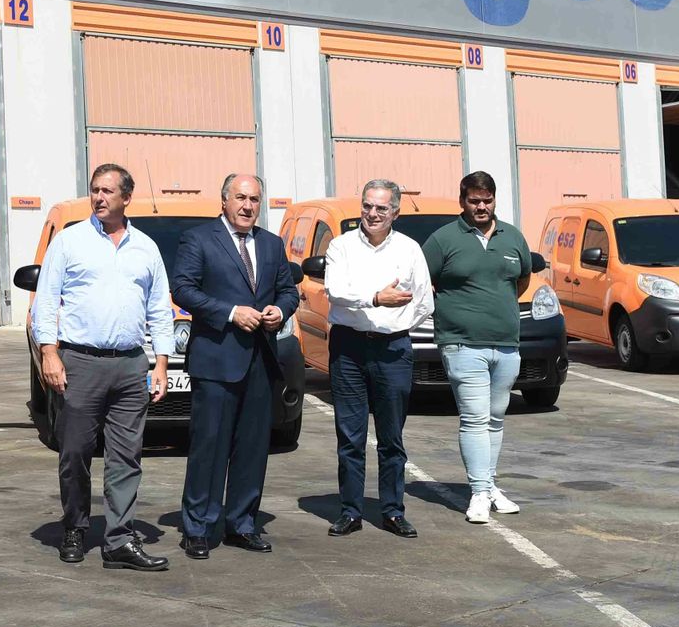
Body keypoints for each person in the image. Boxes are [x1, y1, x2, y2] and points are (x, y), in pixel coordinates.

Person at [33, 163, 173, 571]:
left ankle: (120, 540)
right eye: (95, 189)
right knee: (74, 452)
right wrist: (49, 352)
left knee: (126, 457)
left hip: (130, 365)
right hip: (80, 363)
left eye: (108, 191)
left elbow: (159, 308)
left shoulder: (146, 248)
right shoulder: (70, 241)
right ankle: (75, 527)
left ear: (126, 198)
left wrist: (160, 363)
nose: (99, 197)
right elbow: (46, 300)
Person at [171, 173, 299, 559]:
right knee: (209, 447)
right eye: (240, 198)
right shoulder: (199, 239)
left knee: (252, 449)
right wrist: (230, 313)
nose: (247, 206)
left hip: (261, 361)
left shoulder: (271, 244)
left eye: (254, 199)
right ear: (224, 200)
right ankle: (198, 527)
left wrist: (280, 310)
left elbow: (288, 290)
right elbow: (183, 289)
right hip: (216, 361)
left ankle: (242, 523)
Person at [322, 178, 433, 538]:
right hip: (348, 348)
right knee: (350, 436)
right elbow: (335, 290)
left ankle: (392, 511)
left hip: (392, 348)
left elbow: (424, 302)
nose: (372, 213)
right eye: (367, 206)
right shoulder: (341, 246)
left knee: (391, 436)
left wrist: (394, 324)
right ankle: (350, 511)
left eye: (381, 208)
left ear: (395, 213)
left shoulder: (409, 249)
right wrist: (375, 299)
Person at [421, 171, 533, 524]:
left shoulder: (512, 237)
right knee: (474, 418)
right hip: (462, 344)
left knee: (496, 417)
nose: (481, 207)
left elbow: (521, 280)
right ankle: (479, 492)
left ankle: (490, 485)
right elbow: (423, 282)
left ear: (495, 200)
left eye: (487, 200)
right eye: (474, 201)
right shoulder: (443, 239)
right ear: (462, 201)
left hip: (506, 344)